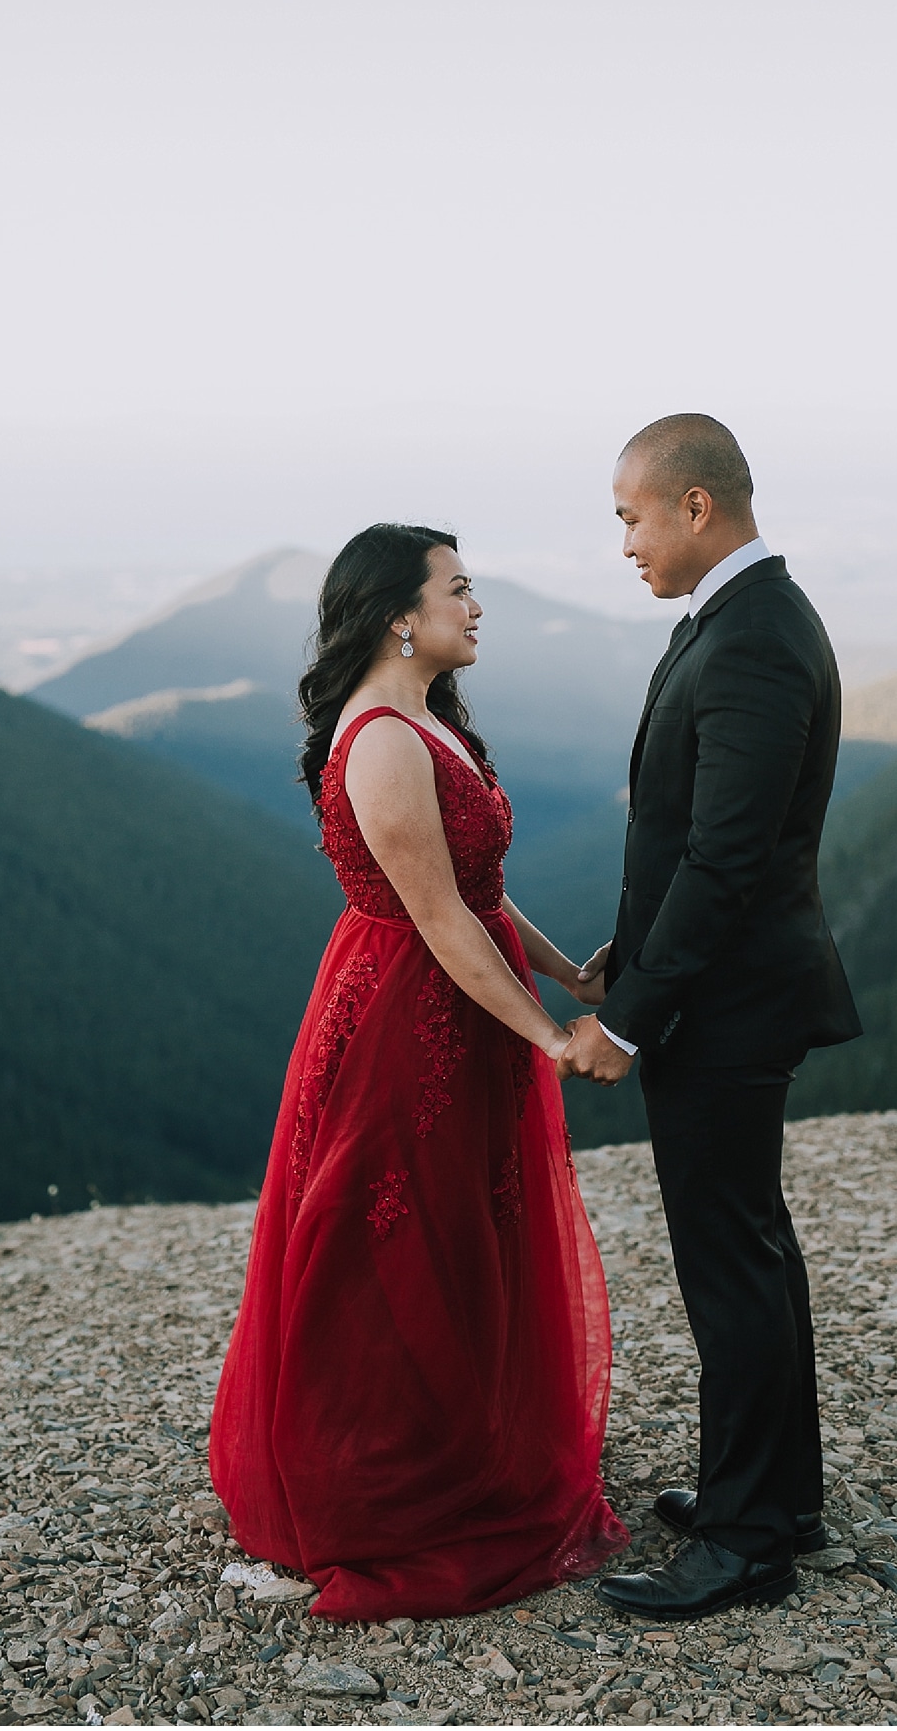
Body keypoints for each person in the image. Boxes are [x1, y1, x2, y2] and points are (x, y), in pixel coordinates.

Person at [210, 523, 627, 1621]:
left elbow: (482, 889)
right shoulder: (386, 740)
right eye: (460, 588)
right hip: (410, 1014)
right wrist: (548, 1038)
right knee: (400, 1237)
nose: (476, 606)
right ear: (402, 611)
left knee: (465, 1231)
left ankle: (459, 1450)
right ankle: (385, 1487)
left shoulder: (427, 721)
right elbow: (438, 918)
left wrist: (567, 976)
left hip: (462, 995)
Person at [559, 414, 862, 1621]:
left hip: (729, 1009)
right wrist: (628, 952)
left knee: (731, 1265)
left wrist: (628, 1020)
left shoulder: (752, 638)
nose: (624, 541)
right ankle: (776, 1496)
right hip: (725, 991)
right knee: (754, 1250)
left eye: (631, 515)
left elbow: (728, 861)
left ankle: (745, 1541)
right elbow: (693, 838)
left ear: (696, 505)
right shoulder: (743, 619)